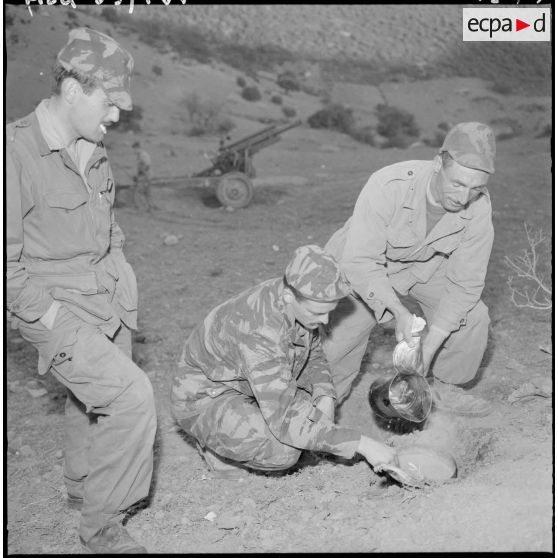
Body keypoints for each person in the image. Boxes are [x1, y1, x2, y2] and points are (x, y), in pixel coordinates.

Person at [6, 28, 156, 554]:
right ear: (73, 89)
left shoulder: (93, 150)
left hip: (104, 294)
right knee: (131, 397)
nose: (117, 116)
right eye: (109, 102)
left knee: (88, 398)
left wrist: (117, 275)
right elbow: (7, 263)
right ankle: (101, 525)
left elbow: (106, 225)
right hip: (54, 304)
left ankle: (81, 489)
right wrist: (46, 317)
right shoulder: (16, 153)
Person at [171, 245, 397, 480]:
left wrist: (324, 395)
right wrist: (363, 445)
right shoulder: (261, 332)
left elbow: (313, 354)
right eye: (319, 313)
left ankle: (248, 420)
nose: (325, 320)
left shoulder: (297, 299)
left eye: (330, 311)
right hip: (205, 398)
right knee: (284, 451)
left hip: (247, 383)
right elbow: (286, 419)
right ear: (290, 297)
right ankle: (217, 448)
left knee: (312, 421)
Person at [321, 122, 496, 417]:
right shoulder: (389, 185)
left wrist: (428, 351)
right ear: (438, 163)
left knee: (472, 318)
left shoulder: (478, 207)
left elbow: (465, 284)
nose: (465, 198)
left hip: (425, 266)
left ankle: (444, 390)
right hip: (364, 266)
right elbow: (361, 261)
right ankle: (316, 413)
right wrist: (396, 311)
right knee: (336, 346)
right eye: (458, 184)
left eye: (476, 189)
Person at [131, 140, 156, 211]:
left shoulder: (143, 155)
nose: (134, 151)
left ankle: (143, 208)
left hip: (145, 177)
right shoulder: (140, 156)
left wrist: (140, 174)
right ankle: (150, 208)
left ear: (137, 148)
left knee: (139, 192)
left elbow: (147, 165)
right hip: (145, 176)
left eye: (134, 149)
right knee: (147, 193)